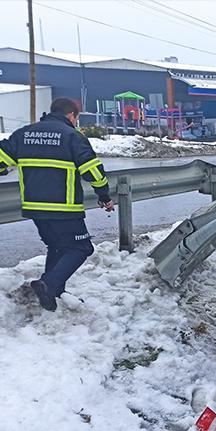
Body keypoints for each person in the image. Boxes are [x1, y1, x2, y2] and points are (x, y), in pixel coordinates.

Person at [0, 98, 114, 311]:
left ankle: (54, 292)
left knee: (57, 246)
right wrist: (104, 196)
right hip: (64, 208)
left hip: (34, 207)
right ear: (71, 115)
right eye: (76, 117)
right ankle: (48, 284)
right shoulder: (72, 136)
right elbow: (94, 173)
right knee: (81, 247)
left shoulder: (23, 134)